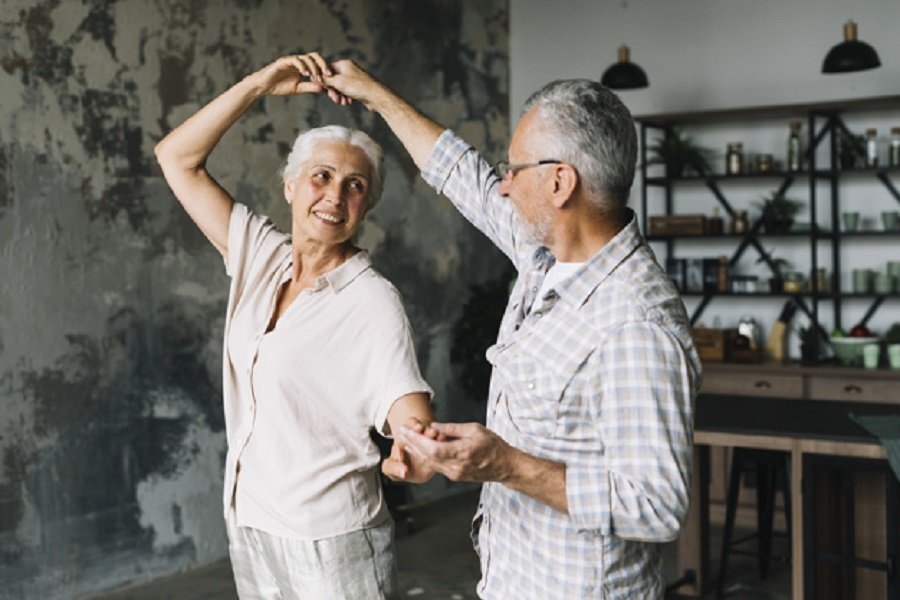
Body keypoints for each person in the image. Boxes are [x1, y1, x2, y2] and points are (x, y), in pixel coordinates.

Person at [324, 61, 702, 598]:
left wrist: (505, 464)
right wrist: (371, 93)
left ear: (559, 181)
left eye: (514, 169)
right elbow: (461, 175)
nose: (502, 186)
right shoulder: (545, 254)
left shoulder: (635, 324)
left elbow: (657, 505)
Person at [154, 53, 436, 599]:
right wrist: (259, 85)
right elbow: (175, 158)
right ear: (290, 186)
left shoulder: (372, 301)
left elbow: (408, 408)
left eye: (355, 186)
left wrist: (413, 445)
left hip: (330, 543)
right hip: (252, 522)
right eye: (321, 177)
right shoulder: (260, 253)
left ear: (366, 207)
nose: (334, 196)